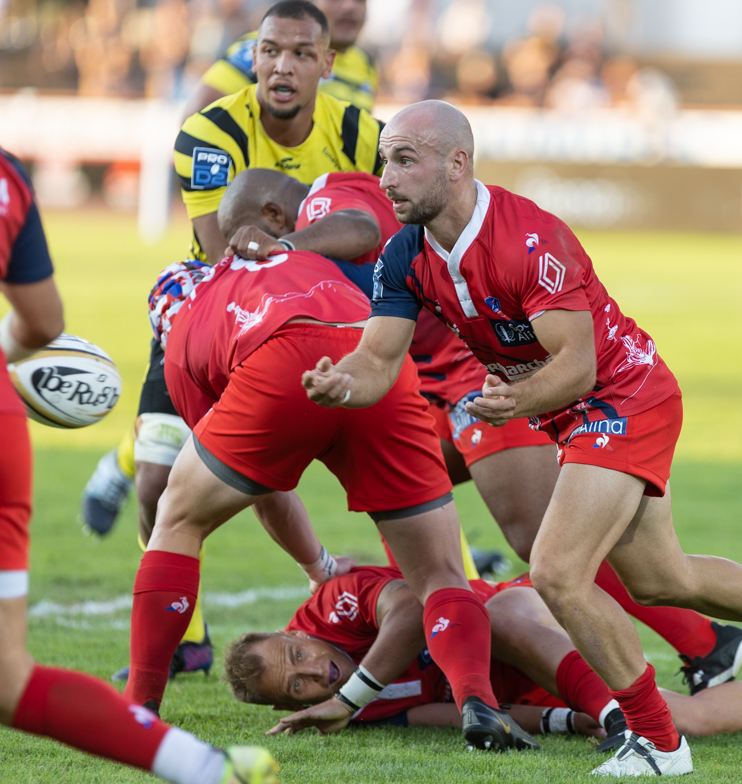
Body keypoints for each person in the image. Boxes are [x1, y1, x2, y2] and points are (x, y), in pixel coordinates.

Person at [300, 100, 742, 776]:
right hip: (568, 410)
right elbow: (378, 358)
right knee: (664, 579)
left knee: (556, 572)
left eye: (404, 160)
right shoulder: (405, 254)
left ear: (457, 164)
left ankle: (659, 743)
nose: (387, 177)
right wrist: (344, 383)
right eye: (385, 159)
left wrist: (515, 401)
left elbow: (579, 363)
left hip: (623, 395)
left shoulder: (527, 238)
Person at [217, 167, 742, 694]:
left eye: (253, 239)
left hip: (476, 378)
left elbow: (359, 228)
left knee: (540, 539)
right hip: (432, 382)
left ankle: (705, 641)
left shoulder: (321, 205)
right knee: (397, 490)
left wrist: (286, 244)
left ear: (272, 215)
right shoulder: (354, 199)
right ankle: (454, 604)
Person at [81, 0, 386, 682]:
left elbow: (381, 232)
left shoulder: (364, 133)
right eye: (270, 51)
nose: (282, 66)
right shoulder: (207, 133)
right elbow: (229, 259)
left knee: (409, 460)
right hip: (217, 314)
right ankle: (187, 638)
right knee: (162, 487)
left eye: (301, 54)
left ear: (326, 65)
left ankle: (350, 583)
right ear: (252, 55)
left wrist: (298, 243)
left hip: (330, 314)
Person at [127, 252, 537, 754]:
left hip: (280, 360)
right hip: (374, 360)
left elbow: (263, 486)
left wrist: (317, 564)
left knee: (177, 522)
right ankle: (478, 701)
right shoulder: (288, 258)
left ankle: (140, 706)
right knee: (441, 577)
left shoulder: (184, 329)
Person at [0, 149, 279, 784]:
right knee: (8, 678)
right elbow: (43, 320)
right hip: (5, 422)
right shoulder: (10, 174)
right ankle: (205, 769)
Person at [223, 567, 742, 744]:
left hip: (520, 613)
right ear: (294, 705)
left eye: (296, 653)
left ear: (292, 631)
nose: (313, 669)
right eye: (298, 686)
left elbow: (408, 608)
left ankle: (640, 699)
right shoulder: (343, 708)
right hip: (520, 686)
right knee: (689, 720)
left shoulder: (333, 606)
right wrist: (562, 720)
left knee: (502, 614)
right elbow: (449, 715)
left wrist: (349, 698)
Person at [183, 0, 378, 117]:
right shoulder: (265, 50)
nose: (350, 6)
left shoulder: (365, 65)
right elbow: (194, 120)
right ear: (308, 1)